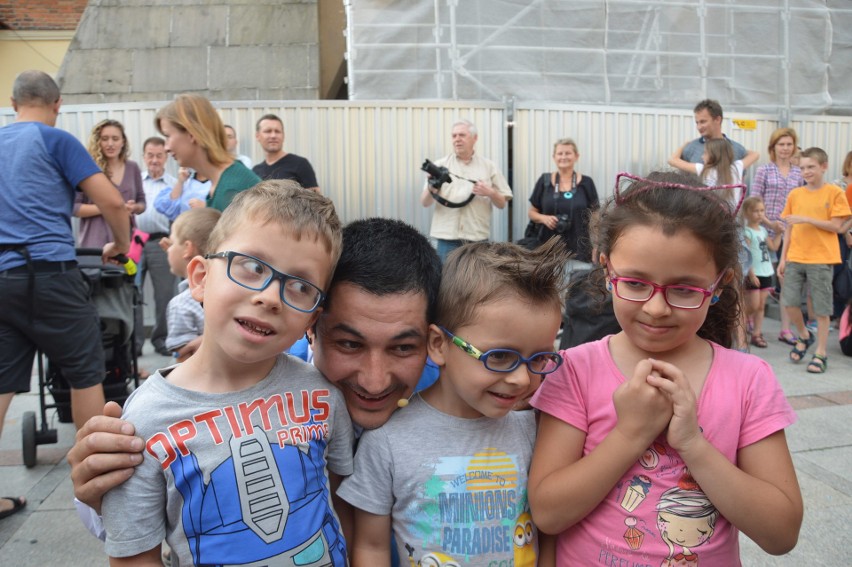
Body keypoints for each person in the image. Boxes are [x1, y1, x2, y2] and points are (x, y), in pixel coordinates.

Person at [67, 217, 442, 531]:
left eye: (403, 348)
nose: (374, 381)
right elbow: (123, 523)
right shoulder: (244, 381)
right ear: (311, 324)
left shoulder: (451, 392)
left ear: (433, 340)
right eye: (349, 344)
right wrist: (99, 488)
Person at [528, 171, 803, 564]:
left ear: (720, 283)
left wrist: (692, 444)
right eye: (636, 284)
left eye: (685, 290)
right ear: (607, 270)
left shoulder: (749, 380)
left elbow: (780, 532)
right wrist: (630, 434)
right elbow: (549, 512)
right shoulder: (573, 370)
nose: (656, 308)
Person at [101, 182, 353, 566]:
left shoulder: (322, 395)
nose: (269, 297)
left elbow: (338, 505)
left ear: (312, 317)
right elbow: (134, 553)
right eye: (252, 267)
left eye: (300, 286)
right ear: (200, 278)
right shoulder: (144, 420)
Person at [339, 239, 568, 566]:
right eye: (500, 356)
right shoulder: (386, 442)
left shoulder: (535, 430)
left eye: (540, 358)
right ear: (438, 344)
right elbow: (372, 547)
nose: (521, 378)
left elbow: (547, 537)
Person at [0, 70, 130, 521]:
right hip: (51, 276)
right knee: (83, 372)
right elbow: (111, 202)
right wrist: (119, 245)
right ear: (57, 104)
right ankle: (95, 492)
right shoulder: (55, 140)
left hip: (2, 276)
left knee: (0, 385)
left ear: (14, 102)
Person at [779, 147, 852, 374]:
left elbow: (839, 226)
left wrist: (806, 219)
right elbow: (789, 229)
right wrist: (783, 258)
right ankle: (803, 335)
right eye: (802, 168)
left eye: (811, 167)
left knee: (821, 309)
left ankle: (821, 352)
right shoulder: (795, 195)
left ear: (824, 166)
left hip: (821, 258)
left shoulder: (834, 193)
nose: (806, 171)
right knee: (789, 302)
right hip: (795, 257)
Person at [420, 119, 513, 262]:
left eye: (462, 135)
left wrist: (490, 192)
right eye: (454, 136)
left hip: (477, 238)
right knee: (445, 282)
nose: (457, 139)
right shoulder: (439, 166)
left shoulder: (489, 167)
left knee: (476, 283)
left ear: (475, 138)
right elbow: (425, 202)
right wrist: (433, 186)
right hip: (447, 238)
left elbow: (502, 204)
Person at [156, 93, 260, 212]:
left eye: (168, 136)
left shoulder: (233, 189)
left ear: (192, 133)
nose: (166, 148)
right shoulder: (221, 184)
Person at [749, 127, 804, 345]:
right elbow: (753, 202)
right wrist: (770, 223)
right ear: (773, 147)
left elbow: (801, 204)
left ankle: (785, 329)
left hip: (789, 235)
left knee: (786, 281)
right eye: (781, 144)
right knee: (760, 282)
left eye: (789, 144)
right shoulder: (764, 170)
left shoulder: (799, 172)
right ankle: (753, 321)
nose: (785, 148)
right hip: (764, 233)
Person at [134, 136, 178, 357]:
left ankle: (161, 339)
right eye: (150, 155)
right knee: (133, 292)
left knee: (164, 295)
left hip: (162, 242)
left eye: (159, 155)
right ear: (144, 156)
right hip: (135, 241)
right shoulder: (136, 182)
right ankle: (134, 343)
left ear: (166, 157)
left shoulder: (174, 184)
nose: (154, 160)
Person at [528, 137, 600, 272]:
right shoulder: (545, 181)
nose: (563, 157)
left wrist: (596, 246)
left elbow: (595, 217)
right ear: (554, 157)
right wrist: (544, 218)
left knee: (578, 291)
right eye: (560, 153)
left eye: (568, 153)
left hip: (580, 251)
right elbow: (531, 212)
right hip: (548, 252)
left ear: (576, 156)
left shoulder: (586, 183)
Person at [162, 207, 221, 362]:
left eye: (172, 242)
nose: (168, 250)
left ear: (187, 248)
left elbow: (183, 357)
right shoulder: (231, 292)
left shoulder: (181, 304)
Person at [75, 119, 145, 248]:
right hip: (94, 245)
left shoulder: (133, 167)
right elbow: (75, 208)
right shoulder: (87, 169)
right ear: (98, 142)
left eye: (115, 138)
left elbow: (142, 202)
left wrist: (134, 207)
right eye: (105, 139)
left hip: (127, 244)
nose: (110, 144)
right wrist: (110, 207)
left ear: (123, 142)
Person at [740, 196, 783, 348]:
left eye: (762, 211)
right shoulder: (747, 232)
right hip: (753, 273)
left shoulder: (763, 230)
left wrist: (778, 233)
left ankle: (757, 333)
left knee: (761, 305)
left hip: (766, 272)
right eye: (755, 211)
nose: (759, 214)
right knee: (753, 304)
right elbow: (746, 254)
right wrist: (750, 274)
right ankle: (741, 324)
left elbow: (774, 247)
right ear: (746, 213)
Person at [669, 137, 759, 206]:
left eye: (705, 153)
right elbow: (755, 154)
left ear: (713, 154)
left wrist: (685, 144)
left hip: (712, 218)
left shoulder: (703, 169)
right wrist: (728, 150)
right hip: (732, 218)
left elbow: (672, 160)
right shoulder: (736, 167)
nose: (702, 157)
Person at [252, 114, 320, 192]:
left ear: (283, 136)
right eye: (268, 131)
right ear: (257, 136)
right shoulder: (256, 171)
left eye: (277, 131)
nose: (273, 135)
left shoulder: (300, 164)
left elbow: (315, 199)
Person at [675, 99, 749, 163]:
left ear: (717, 120)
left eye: (703, 121)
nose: (699, 127)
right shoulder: (690, 149)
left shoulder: (738, 150)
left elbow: (740, 178)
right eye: (697, 122)